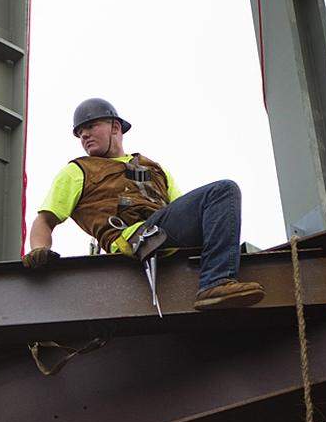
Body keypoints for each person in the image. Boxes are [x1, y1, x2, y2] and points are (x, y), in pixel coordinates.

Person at [23, 98, 264, 310]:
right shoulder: (77, 170)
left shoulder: (154, 168)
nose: (84, 135)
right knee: (223, 190)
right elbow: (45, 220)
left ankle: (219, 277)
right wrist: (37, 251)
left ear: (115, 127)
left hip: (165, 232)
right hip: (136, 237)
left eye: (90, 126)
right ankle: (215, 282)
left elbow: (182, 209)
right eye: (79, 132)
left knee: (220, 200)